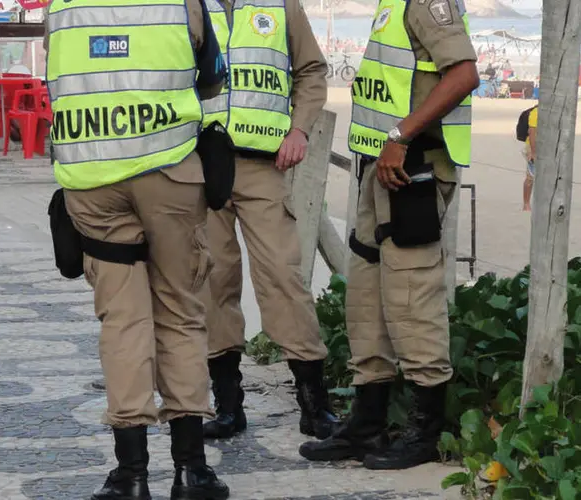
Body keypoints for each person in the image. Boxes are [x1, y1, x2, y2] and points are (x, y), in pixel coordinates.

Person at [46, 0, 230, 498]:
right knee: (180, 312)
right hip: (168, 172)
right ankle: (192, 471)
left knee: (122, 321)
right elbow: (213, 77)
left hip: (93, 181)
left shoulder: (61, 6)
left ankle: (130, 475)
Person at [299, 0, 479, 470]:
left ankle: (424, 429)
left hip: (413, 170)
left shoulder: (425, 4)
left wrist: (400, 136)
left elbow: (464, 75)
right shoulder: (391, 5)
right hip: (380, 171)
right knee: (366, 297)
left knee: (410, 296)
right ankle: (367, 422)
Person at [198, 0, 338, 441]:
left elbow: (311, 70)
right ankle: (228, 405)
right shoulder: (188, 5)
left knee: (283, 275)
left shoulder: (281, 5)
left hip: (265, 165)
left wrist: (300, 129)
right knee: (213, 279)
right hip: (201, 166)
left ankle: (314, 404)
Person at [523, 106, 538, 211]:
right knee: (530, 177)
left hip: (548, 147)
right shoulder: (536, 112)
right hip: (533, 146)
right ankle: (526, 204)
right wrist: (533, 152)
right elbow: (532, 132)